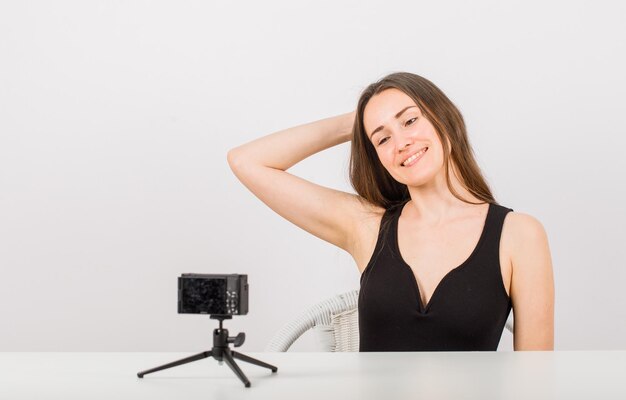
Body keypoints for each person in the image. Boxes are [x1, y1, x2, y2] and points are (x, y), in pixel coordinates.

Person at [227, 72, 554, 351]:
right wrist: (355, 122)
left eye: (410, 120)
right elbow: (247, 161)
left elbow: (534, 379)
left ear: (444, 118)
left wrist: (375, 121)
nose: (400, 143)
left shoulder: (519, 234)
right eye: (382, 139)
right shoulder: (367, 226)